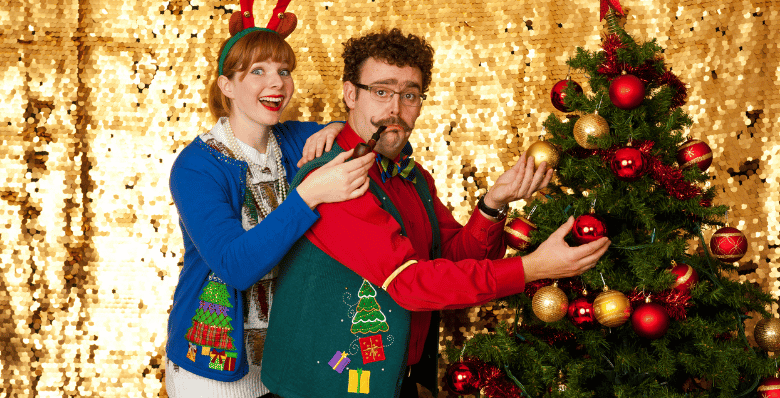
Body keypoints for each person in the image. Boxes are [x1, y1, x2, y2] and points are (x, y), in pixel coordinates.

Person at [261, 28, 611, 398]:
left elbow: (449, 259)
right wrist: (531, 269)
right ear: (351, 94)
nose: (395, 109)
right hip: (324, 388)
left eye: (409, 95)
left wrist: (493, 203)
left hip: (396, 381)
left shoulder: (414, 177)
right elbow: (410, 284)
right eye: (381, 91)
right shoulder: (336, 178)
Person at [164, 28, 375, 398]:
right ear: (226, 85)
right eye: (257, 71)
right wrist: (307, 196)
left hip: (288, 359)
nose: (276, 83)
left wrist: (341, 127)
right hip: (213, 372)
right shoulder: (196, 167)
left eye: (284, 70)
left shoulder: (297, 140)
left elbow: (373, 141)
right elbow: (235, 267)